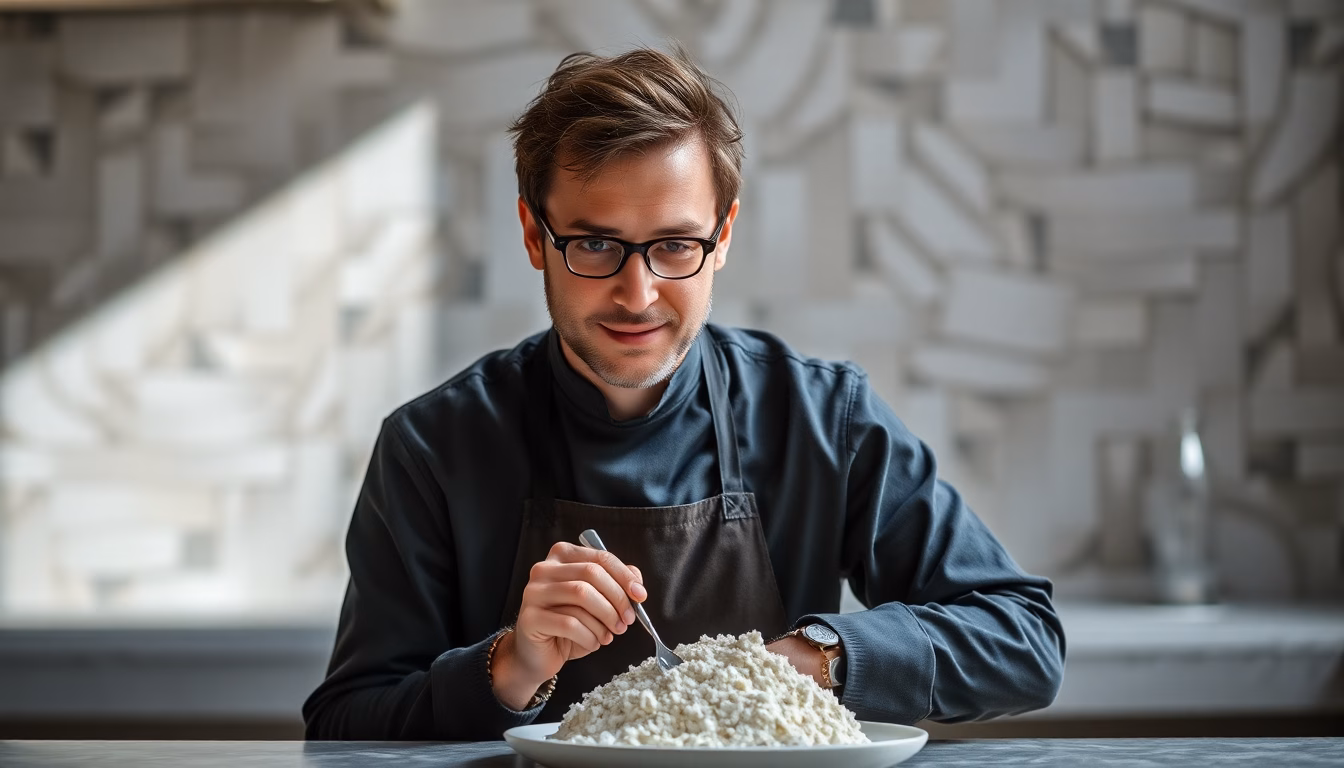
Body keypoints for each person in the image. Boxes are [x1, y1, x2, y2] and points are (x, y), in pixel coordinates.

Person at [303, 46, 1065, 741]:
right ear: (536, 237)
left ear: (723, 236)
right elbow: (342, 727)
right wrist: (509, 666)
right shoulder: (433, 448)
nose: (638, 294)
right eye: (595, 244)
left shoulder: (822, 420)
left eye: (674, 245)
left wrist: (817, 658)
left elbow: (1024, 639)